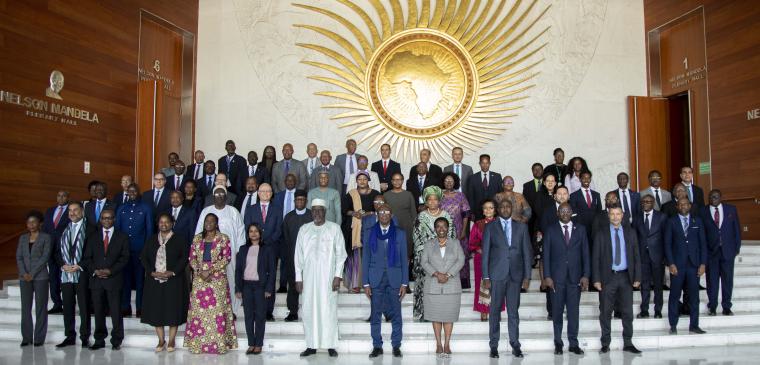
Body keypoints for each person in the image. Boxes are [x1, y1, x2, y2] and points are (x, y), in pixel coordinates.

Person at [294, 199, 347, 357]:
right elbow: (298, 255)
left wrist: (337, 276)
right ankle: (311, 345)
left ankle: (330, 344)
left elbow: (341, 255)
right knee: (309, 309)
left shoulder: (334, 229)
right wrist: (298, 278)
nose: (317, 213)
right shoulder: (304, 229)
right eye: (314, 210)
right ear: (311, 212)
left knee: (328, 309)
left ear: (325, 211)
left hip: (328, 277)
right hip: (309, 278)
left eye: (320, 210)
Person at [482, 199, 532, 358]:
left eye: (508, 206)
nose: (505, 209)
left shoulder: (522, 227)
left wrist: (527, 276)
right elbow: (486, 254)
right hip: (496, 275)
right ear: (498, 209)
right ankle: (494, 345)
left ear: (512, 208)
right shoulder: (490, 227)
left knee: (513, 312)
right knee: (495, 311)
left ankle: (515, 344)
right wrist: (486, 276)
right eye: (502, 206)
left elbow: (527, 253)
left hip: (515, 276)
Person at [592, 206, 642, 354]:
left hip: (626, 277)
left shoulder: (631, 233)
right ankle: (605, 343)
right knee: (606, 312)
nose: (615, 217)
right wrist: (596, 279)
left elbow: (637, 256)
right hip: (608, 277)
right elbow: (595, 258)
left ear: (623, 215)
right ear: (608, 216)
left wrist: (638, 277)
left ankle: (628, 342)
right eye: (612, 214)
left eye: (618, 214)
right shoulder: (601, 233)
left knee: (627, 311)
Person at [185, 213, 238, 354]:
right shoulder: (197, 238)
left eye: (212, 221)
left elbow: (226, 258)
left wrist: (209, 270)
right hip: (199, 279)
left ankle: (219, 344)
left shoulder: (223, 238)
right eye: (206, 221)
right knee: (199, 314)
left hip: (217, 280)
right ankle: (198, 345)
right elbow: (192, 257)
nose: (208, 223)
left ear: (216, 223)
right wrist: (200, 271)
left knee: (217, 312)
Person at [542, 203, 590, 355]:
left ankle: (573, 343)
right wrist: (547, 276)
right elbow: (546, 256)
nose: (564, 213)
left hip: (575, 278)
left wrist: (586, 275)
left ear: (571, 212)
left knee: (573, 312)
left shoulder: (581, 229)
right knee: (557, 312)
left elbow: (586, 255)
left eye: (567, 210)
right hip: (556, 279)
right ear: (557, 213)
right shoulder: (550, 230)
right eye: (561, 211)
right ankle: (558, 343)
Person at [363, 204, 408, 358]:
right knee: (375, 314)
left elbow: (403, 259)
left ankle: (396, 345)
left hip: (394, 279)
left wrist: (404, 283)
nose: (383, 214)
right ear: (377, 214)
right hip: (375, 279)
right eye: (381, 212)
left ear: (391, 214)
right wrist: (366, 283)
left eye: (386, 212)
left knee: (396, 314)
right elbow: (366, 258)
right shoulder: (370, 233)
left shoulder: (400, 234)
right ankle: (377, 346)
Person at [140, 212, 189, 353]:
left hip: (174, 280)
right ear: (157, 224)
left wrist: (173, 272)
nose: (164, 224)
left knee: (173, 310)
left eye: (167, 222)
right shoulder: (151, 240)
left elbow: (184, 257)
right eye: (161, 222)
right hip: (154, 281)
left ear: (172, 223)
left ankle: (172, 339)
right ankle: (161, 340)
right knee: (157, 310)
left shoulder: (179, 239)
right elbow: (143, 258)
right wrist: (151, 271)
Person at [82, 209, 129, 350]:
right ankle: (99, 340)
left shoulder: (122, 237)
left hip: (113, 280)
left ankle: (116, 340)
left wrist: (110, 270)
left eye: (109, 218)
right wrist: (95, 270)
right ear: (100, 220)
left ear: (114, 219)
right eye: (104, 218)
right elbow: (87, 258)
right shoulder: (92, 237)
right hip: (97, 281)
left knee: (115, 312)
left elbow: (125, 258)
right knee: (98, 312)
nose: (107, 220)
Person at [196, 186, 246, 315]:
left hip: (231, 252)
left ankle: (232, 310)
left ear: (226, 196)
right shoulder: (206, 211)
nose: (219, 197)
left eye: (222, 194)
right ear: (213, 197)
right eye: (217, 195)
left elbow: (240, 232)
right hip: (208, 254)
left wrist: (240, 251)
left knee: (230, 278)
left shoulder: (233, 211)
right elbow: (198, 233)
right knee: (211, 280)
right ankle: (213, 310)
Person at [420, 217, 464, 357]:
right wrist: (437, 274)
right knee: (436, 316)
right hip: (433, 285)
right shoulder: (428, 244)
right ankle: (438, 344)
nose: (441, 229)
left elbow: (461, 260)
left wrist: (448, 274)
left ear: (448, 228)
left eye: (444, 226)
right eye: (438, 226)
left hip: (452, 286)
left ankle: (447, 344)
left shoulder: (456, 243)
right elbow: (424, 262)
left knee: (449, 317)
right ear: (435, 229)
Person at [665, 198, 707, 335]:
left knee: (694, 297)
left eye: (686, 204)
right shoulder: (671, 221)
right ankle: (673, 325)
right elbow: (667, 245)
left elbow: (703, 244)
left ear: (690, 206)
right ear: (677, 206)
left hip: (694, 265)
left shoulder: (697, 221)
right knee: (674, 295)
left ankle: (694, 325)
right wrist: (670, 263)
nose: (683, 206)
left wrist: (703, 264)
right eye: (680, 204)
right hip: (677, 265)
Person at [412, 186, 455, 321]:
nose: (432, 202)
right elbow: (417, 237)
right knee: (426, 288)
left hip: (444, 259)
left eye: (435, 199)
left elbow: (452, 235)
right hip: (425, 259)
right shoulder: (421, 217)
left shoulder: (447, 216)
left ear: (439, 201)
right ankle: (425, 313)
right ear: (425, 201)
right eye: (429, 200)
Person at [55, 201, 93, 348]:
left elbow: (92, 252)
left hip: (81, 273)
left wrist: (80, 265)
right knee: (68, 306)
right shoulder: (64, 228)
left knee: (84, 306)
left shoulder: (90, 229)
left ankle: (85, 337)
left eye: (75, 210)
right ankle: (70, 336)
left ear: (82, 211)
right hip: (66, 274)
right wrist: (62, 265)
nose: (72, 213)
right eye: (70, 210)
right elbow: (57, 252)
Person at [243, 183, 283, 320]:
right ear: (258, 193)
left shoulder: (277, 209)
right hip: (254, 249)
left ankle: (268, 311)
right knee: (255, 279)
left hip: (271, 248)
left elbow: (279, 229)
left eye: (268, 191)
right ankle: (256, 309)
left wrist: (267, 242)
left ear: (272, 194)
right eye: (263, 191)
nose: (266, 193)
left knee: (270, 278)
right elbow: (248, 227)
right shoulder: (251, 209)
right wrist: (257, 242)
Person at [235, 224, 276, 355]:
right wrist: (238, 288)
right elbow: (238, 270)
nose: (253, 234)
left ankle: (258, 344)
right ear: (248, 234)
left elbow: (272, 271)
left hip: (260, 287)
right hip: (246, 286)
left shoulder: (267, 249)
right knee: (248, 317)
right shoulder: (242, 249)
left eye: (256, 231)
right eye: (251, 231)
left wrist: (269, 288)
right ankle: (251, 343)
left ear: (260, 233)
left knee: (259, 316)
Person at [115, 183, 154, 318]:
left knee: (139, 281)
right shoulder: (121, 208)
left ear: (139, 193)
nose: (132, 194)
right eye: (129, 192)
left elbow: (149, 230)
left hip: (140, 250)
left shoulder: (146, 208)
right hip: (124, 251)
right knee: (125, 280)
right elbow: (117, 230)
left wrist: (146, 250)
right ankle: (125, 306)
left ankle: (140, 307)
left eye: (134, 192)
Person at [703, 189, 742, 316]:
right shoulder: (703, 211)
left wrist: (736, 248)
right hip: (711, 253)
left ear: (721, 197)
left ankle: (726, 307)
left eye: (715, 196)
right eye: (710, 197)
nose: (713, 199)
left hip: (728, 252)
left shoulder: (731, 209)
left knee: (727, 280)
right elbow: (702, 234)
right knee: (712, 281)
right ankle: (712, 306)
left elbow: (736, 230)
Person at [17, 210, 52, 347]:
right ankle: (26, 338)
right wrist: (24, 273)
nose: (31, 224)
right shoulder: (23, 238)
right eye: (29, 222)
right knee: (25, 308)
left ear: (40, 223)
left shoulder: (46, 237)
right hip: (24, 277)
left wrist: (32, 273)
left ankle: (38, 338)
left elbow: (45, 257)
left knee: (40, 308)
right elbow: (19, 257)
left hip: (40, 277)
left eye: (34, 222)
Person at [342, 172, 381, 292]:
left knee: (371, 255)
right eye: (360, 179)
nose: (362, 181)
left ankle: (371, 282)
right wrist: (355, 213)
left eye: (365, 179)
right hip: (355, 229)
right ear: (356, 181)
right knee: (356, 256)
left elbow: (380, 208)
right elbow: (345, 210)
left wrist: (369, 214)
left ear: (368, 180)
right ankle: (356, 283)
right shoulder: (351, 194)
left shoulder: (375, 193)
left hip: (371, 227)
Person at [468, 200, 504, 321]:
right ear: (482, 211)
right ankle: (483, 310)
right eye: (485, 208)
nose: (488, 210)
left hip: (497, 259)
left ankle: (496, 310)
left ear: (495, 210)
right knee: (482, 284)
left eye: (491, 208)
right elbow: (472, 243)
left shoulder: (501, 223)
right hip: (481, 258)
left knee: (497, 284)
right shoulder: (478, 224)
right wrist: (480, 250)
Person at [634, 194, 666, 319]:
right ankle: (644, 310)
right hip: (642, 256)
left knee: (658, 285)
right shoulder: (637, 218)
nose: (646, 203)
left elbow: (665, 238)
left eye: (648, 201)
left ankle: (658, 310)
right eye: (643, 202)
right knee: (645, 285)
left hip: (658, 256)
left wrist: (665, 257)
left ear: (653, 203)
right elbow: (635, 238)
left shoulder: (662, 217)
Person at [282, 190, 313, 321]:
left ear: (306, 201)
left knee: (310, 285)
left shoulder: (312, 215)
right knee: (293, 284)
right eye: (297, 200)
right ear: (294, 201)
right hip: (292, 256)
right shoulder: (288, 217)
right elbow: (285, 238)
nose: (299, 202)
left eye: (302, 199)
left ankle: (311, 311)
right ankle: (293, 311)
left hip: (310, 257)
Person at [383, 172, 417, 280]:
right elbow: (382, 213)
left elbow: (414, 213)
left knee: (406, 255)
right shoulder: (386, 195)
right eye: (394, 179)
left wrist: (414, 229)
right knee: (391, 253)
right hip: (391, 227)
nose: (397, 182)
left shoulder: (408, 194)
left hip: (407, 228)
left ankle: (405, 281)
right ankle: (393, 279)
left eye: (399, 179)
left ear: (402, 181)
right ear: (391, 181)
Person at [440, 172, 471, 289]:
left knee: (460, 256)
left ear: (455, 182)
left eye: (451, 181)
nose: (448, 182)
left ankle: (463, 282)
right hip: (442, 231)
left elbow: (466, 214)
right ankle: (445, 280)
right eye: (446, 180)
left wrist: (463, 231)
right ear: (443, 182)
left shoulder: (461, 196)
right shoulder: (439, 195)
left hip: (458, 231)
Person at [42, 190, 70, 314]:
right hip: (51, 249)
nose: (61, 198)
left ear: (68, 197)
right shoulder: (49, 211)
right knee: (53, 277)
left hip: (64, 250)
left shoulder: (72, 211)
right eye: (59, 195)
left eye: (64, 196)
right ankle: (57, 304)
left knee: (64, 277)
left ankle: (68, 304)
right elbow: (45, 230)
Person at [569, 171, 602, 245]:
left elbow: (599, 211)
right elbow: (573, 214)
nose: (586, 180)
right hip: (581, 227)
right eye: (584, 178)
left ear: (590, 179)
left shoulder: (596, 195)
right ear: (580, 179)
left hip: (595, 228)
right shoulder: (573, 195)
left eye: (588, 178)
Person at [466, 154, 502, 220]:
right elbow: (471, 197)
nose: (485, 165)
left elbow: (500, 196)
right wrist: (472, 212)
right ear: (479, 163)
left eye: (487, 163)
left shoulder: (497, 177)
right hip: (478, 213)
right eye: (483, 163)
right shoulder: (473, 178)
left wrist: (499, 211)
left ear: (490, 163)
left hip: (494, 212)